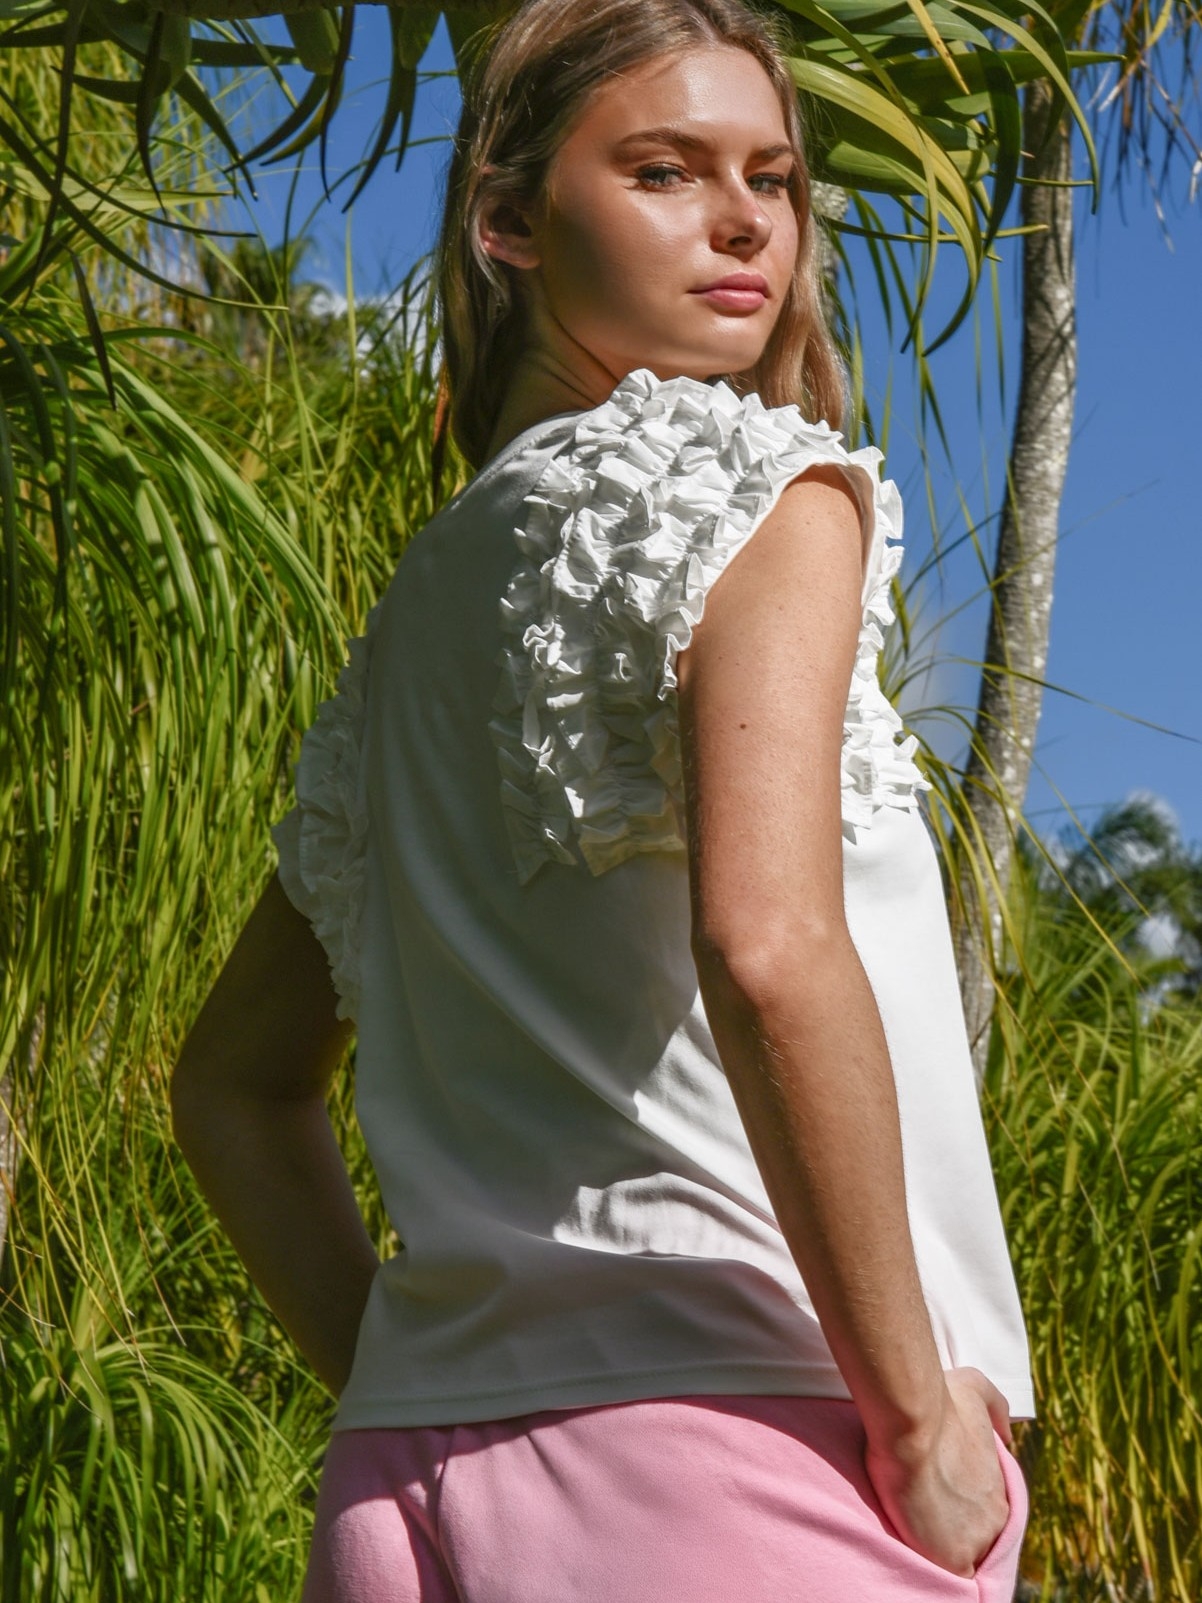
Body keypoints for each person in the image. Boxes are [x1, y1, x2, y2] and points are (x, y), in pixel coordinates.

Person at [171, 2, 1036, 1599]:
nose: (742, 221)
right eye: (662, 170)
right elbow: (766, 948)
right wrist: (918, 1422)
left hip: (410, 1481)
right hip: (747, 1447)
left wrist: (408, 1373)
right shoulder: (766, 489)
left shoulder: (413, 621)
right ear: (505, 219)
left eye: (771, 177)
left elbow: (233, 1085)